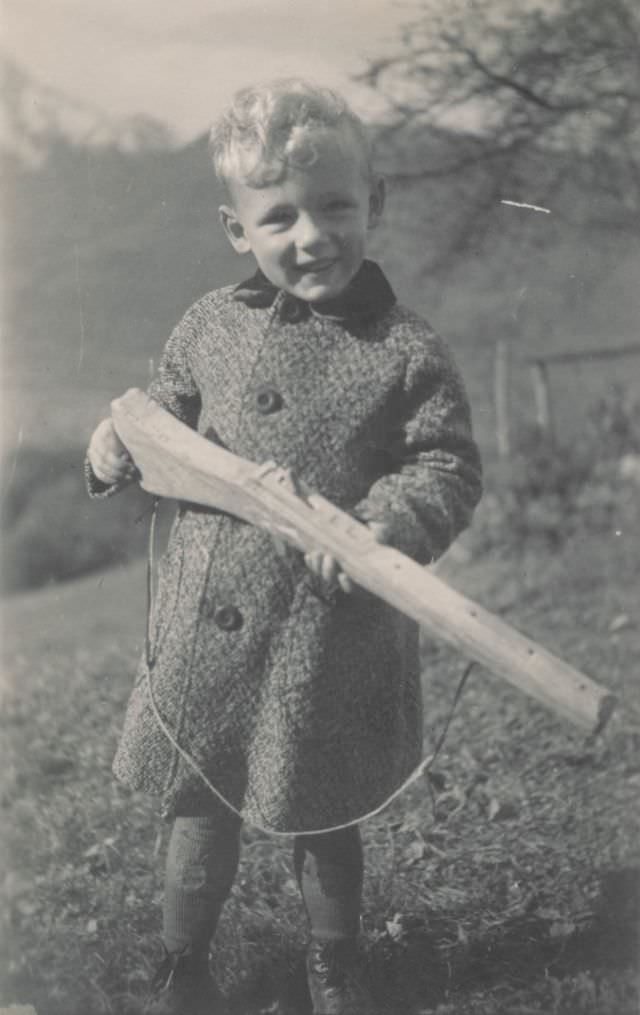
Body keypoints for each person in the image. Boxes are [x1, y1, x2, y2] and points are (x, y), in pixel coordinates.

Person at [86, 78, 482, 1015]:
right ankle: (186, 963)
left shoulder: (404, 348)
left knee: (327, 811)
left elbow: (445, 464)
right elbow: (157, 427)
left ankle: (335, 965)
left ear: (373, 203)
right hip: (205, 638)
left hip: (327, 638)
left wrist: (391, 523)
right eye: (280, 218)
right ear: (238, 231)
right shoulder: (208, 328)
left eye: (336, 206)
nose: (312, 236)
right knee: (198, 806)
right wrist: (112, 450)